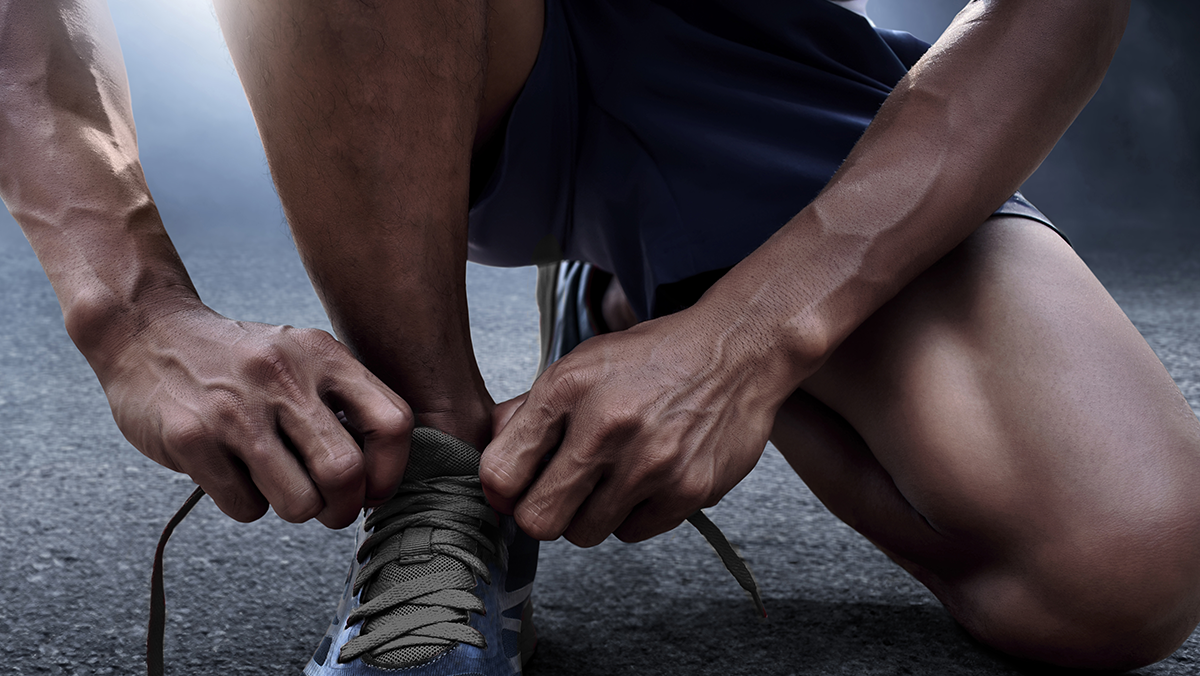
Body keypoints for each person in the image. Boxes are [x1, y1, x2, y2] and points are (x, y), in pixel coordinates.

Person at [3, 0, 1198, 673]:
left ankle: (656, 295)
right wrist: (127, 309)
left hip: (751, 56)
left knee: (1123, 569)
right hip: (407, 43)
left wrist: (751, 337)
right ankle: (445, 473)